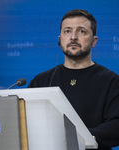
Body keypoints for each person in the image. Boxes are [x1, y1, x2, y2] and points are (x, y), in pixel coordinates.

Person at [28, 9, 119, 150]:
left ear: (94, 41)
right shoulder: (41, 81)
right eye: (67, 31)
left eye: (81, 31)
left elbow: (116, 124)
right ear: (60, 39)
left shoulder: (111, 81)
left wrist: (82, 137)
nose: (73, 37)